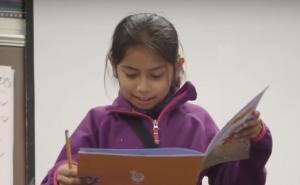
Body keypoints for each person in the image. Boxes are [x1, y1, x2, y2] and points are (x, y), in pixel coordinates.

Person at [41, 13, 272, 185]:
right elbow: (61, 172)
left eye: (156, 75)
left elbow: (235, 181)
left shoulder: (198, 122)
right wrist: (61, 177)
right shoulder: (98, 122)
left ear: (177, 68)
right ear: (114, 66)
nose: (142, 87)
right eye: (130, 74)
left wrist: (253, 142)